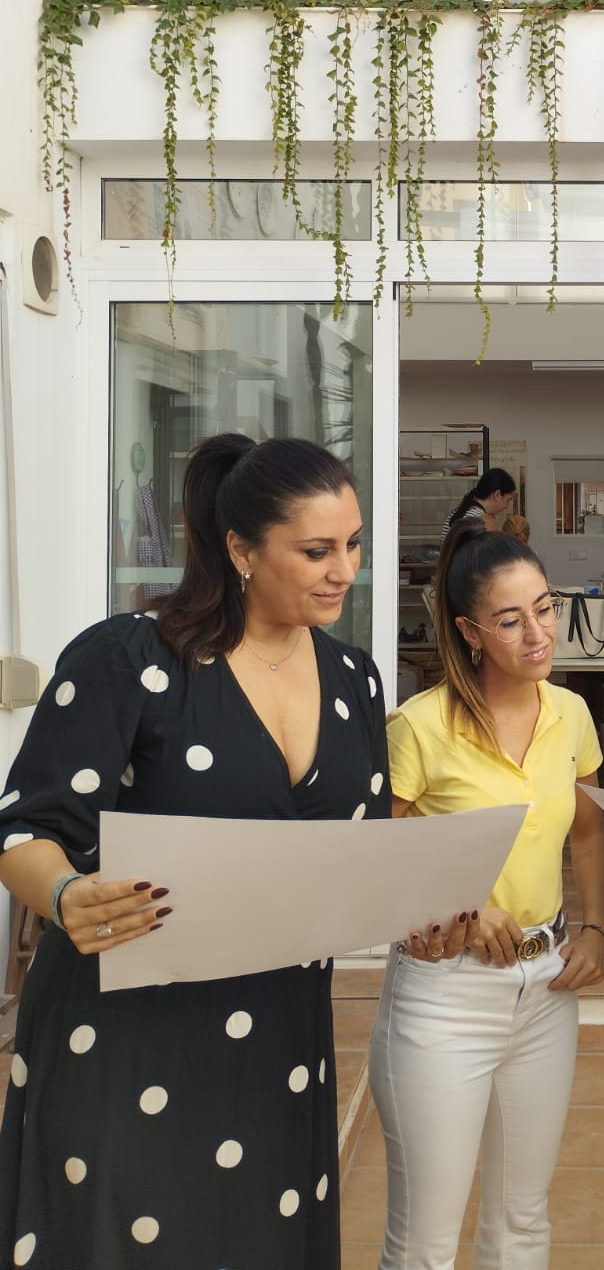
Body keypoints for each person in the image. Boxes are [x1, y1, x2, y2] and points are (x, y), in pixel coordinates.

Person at [0, 434, 448, 1269]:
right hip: (129, 1032)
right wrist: (64, 895)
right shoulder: (128, 657)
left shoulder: (357, 680)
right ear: (241, 549)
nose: (343, 571)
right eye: (315, 550)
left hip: (280, 1038)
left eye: (352, 545)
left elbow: (364, 846)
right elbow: (27, 828)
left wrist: (421, 902)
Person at [369, 522, 604, 1270]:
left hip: (545, 989)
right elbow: (378, 860)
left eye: (545, 607)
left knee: (522, 1225)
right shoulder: (418, 727)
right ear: (472, 632)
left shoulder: (569, 713)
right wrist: (461, 902)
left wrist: (599, 928)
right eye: (511, 620)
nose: (539, 633)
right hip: (445, 997)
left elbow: (588, 835)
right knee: (425, 1246)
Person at [441, 467, 516, 536]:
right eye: (508, 500)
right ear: (497, 495)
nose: (506, 507)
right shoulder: (485, 523)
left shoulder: (453, 515)